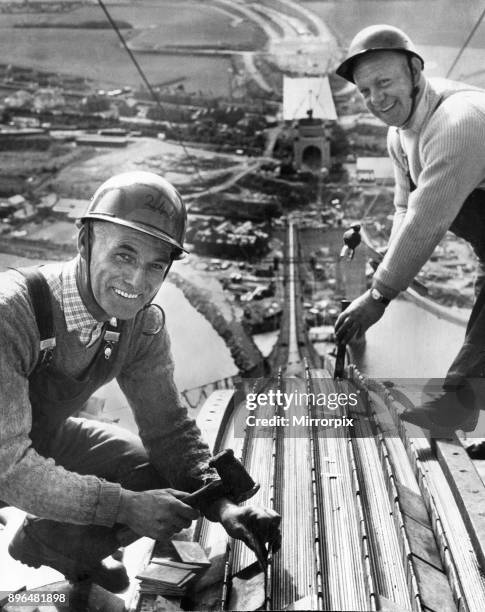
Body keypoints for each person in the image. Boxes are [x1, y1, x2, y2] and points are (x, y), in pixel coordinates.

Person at [0, 171, 281, 593]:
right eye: (124, 256)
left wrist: (222, 507)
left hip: (42, 437)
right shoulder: (11, 315)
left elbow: (168, 429)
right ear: (85, 243)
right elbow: (9, 469)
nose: (137, 282)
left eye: (155, 266)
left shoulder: (139, 326)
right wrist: (124, 507)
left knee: (149, 473)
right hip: (6, 457)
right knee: (131, 499)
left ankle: (59, 543)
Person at [334, 24, 485, 430]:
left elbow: (426, 221)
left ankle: (455, 408)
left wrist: (379, 295)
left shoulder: (457, 124)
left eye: (384, 82)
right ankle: (457, 408)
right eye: (365, 91)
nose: (376, 99)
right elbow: (405, 206)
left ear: (415, 73)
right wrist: (383, 267)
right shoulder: (399, 136)